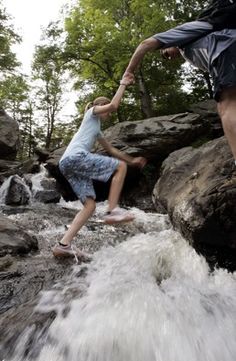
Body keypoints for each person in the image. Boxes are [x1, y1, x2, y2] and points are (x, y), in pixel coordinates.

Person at [53, 75, 147, 261]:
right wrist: (123, 84)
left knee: (90, 206)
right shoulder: (91, 113)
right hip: (75, 158)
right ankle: (112, 210)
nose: (109, 114)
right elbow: (113, 105)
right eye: (107, 112)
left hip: (67, 165)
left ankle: (63, 245)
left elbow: (111, 149)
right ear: (100, 106)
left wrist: (132, 160)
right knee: (119, 167)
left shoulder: (96, 129)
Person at [123, 22, 236, 167]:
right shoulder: (190, 49)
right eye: (166, 57)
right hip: (227, 51)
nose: (168, 56)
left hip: (226, 49)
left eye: (165, 52)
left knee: (226, 104)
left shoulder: (182, 34)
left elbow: (145, 44)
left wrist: (129, 71)